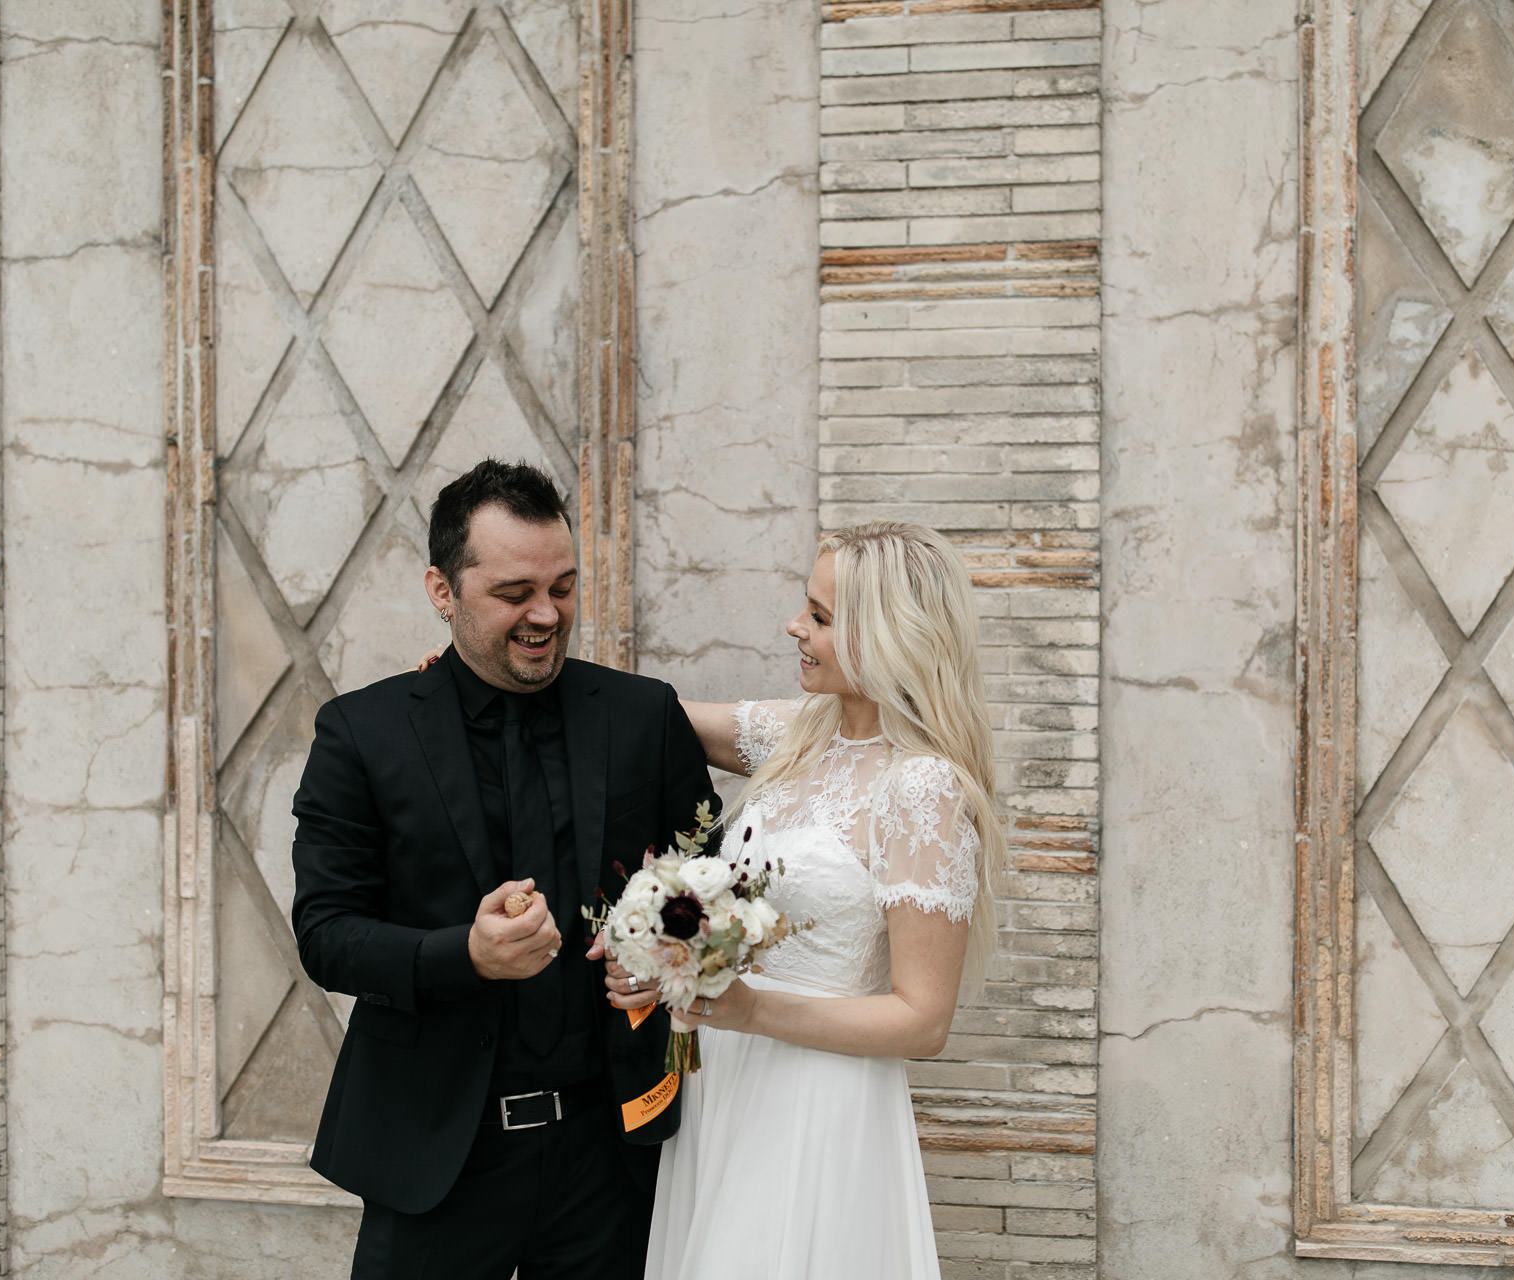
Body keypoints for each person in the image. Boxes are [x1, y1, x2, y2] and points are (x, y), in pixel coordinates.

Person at [289, 458, 718, 1279]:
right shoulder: (361, 733)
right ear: (442, 590)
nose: (546, 615)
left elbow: (708, 882)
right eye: (514, 592)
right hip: (437, 1156)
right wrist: (465, 955)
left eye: (562, 587)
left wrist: (666, 960)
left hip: (615, 1156)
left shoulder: (642, 716)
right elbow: (325, 935)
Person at [608, 521, 1006, 1280]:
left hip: (817, 1103)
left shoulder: (920, 787)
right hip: (725, 1083)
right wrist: (477, 673)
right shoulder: (801, 733)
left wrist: (754, 1009)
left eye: (820, 617)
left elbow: (923, 1021)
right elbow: (638, 714)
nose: (796, 625)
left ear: (887, 637)